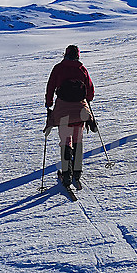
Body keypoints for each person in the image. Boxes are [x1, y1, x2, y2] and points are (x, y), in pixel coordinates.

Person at [44, 45, 96, 189]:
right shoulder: (82, 69)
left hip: (63, 112)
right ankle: (77, 173)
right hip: (80, 112)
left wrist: (49, 104)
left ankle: (67, 175)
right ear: (78, 56)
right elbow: (90, 90)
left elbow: (50, 87)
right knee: (78, 140)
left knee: (66, 141)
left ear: (65, 55)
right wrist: (87, 100)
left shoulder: (58, 68)